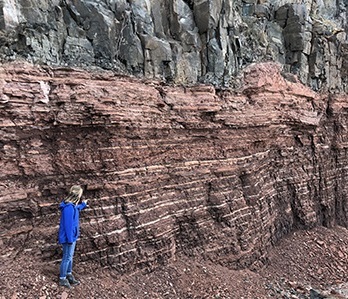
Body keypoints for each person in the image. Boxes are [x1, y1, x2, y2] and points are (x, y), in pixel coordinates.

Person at [58, 185, 88, 288]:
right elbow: (68, 225)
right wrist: (70, 239)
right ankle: (62, 278)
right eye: (80, 195)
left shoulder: (72, 206)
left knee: (70, 257)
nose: (81, 196)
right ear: (76, 195)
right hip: (68, 237)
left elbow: (76, 209)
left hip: (72, 236)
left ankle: (68, 274)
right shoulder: (68, 208)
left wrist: (83, 205)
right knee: (66, 257)